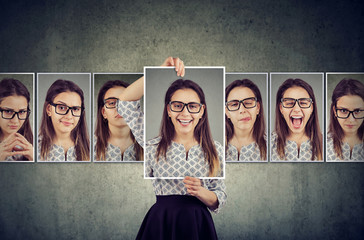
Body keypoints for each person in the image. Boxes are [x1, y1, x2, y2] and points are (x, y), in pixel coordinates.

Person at [134, 60, 226, 240]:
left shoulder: (216, 150)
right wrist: (157, 70)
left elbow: (219, 198)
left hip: (198, 225)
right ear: (168, 110)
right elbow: (125, 104)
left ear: (201, 111)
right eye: (177, 105)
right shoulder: (151, 147)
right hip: (161, 223)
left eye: (192, 106)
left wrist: (201, 192)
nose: (185, 113)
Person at [271, 78, 323, 161]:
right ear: (281, 108)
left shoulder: (326, 144)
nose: (296, 109)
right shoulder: (268, 144)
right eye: (289, 103)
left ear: (311, 108)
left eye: (303, 103)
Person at [38, 79, 90, 161]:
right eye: (62, 107)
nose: (69, 116)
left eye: (75, 109)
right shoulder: (34, 148)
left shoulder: (92, 149)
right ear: (49, 109)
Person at [94, 80, 143, 161]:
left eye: (125, 103)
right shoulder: (89, 146)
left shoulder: (146, 144)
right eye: (112, 103)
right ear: (104, 112)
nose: (119, 109)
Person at [225, 79, 266, 161]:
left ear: (257, 108)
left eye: (248, 103)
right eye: (234, 104)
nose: (242, 110)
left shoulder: (272, 146)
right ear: (227, 112)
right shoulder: (217, 149)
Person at [327, 79, 364, 161]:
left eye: (357, 111)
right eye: (344, 111)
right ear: (335, 111)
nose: (351, 119)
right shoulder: (323, 143)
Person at [0, 78, 33, 161]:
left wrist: (34, 159)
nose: (15, 121)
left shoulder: (36, 146)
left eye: (22, 112)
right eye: (8, 111)